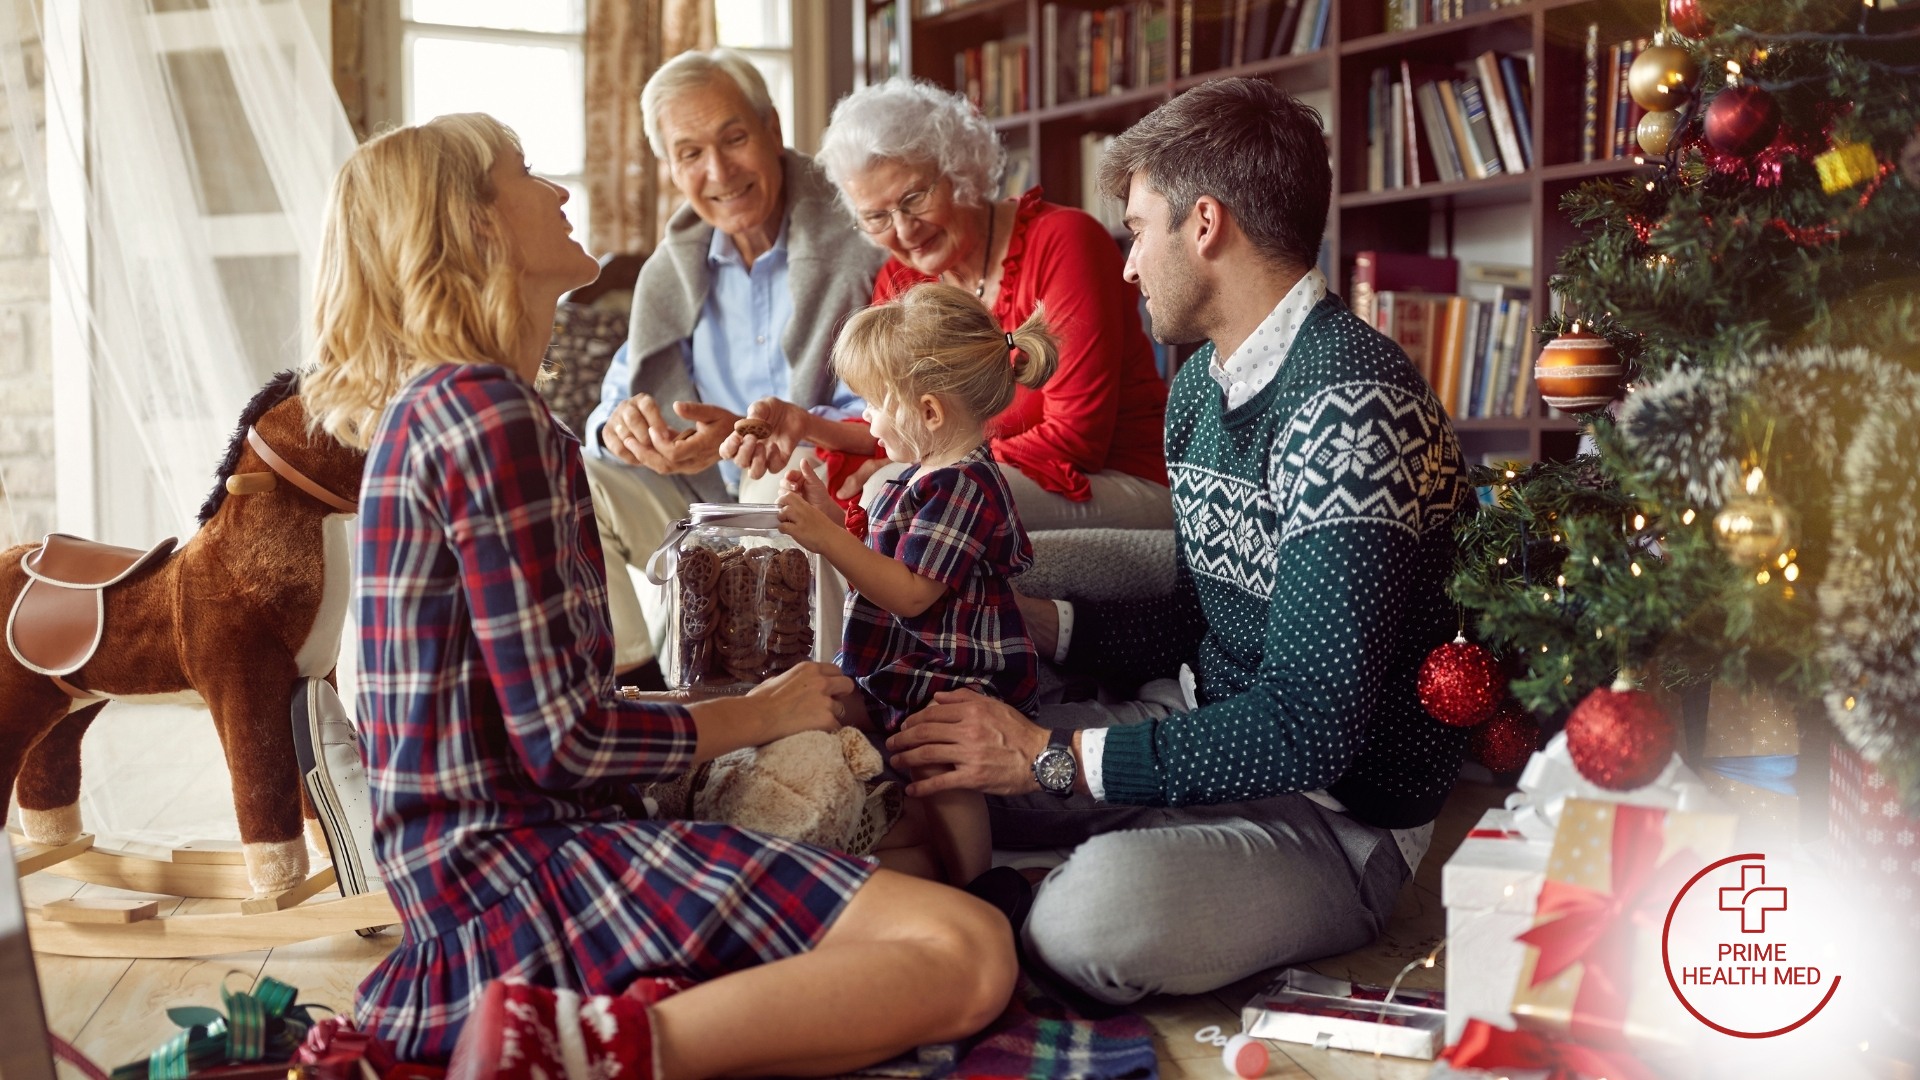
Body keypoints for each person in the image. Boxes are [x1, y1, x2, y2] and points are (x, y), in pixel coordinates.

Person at [300, 112, 1013, 1077]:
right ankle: (574, 1048)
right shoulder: (485, 412)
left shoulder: (443, 407)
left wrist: (729, 711)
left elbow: (540, 724)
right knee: (968, 951)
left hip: (476, 880)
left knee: (900, 884)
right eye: (525, 173)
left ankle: (625, 1017)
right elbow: (567, 741)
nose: (557, 191)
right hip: (513, 889)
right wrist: (762, 712)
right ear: (473, 227)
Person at [882, 79, 1473, 1006]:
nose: (1126, 266)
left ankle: (1042, 898)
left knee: (1089, 921)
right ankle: (1052, 875)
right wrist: (1043, 624)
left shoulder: (1350, 404)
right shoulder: (1201, 387)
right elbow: (1202, 614)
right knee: (931, 772)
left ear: (1205, 226)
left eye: (1136, 229)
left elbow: (1312, 728)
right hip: (1195, 722)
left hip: (1334, 818)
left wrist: (1047, 755)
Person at [736, 77, 1171, 532]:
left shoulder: (1065, 242)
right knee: (789, 483)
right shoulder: (903, 279)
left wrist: (913, 472)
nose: (903, 231)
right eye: (877, 217)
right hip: (985, 471)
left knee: (902, 495)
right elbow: (901, 421)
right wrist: (806, 425)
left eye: (913, 198)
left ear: (959, 169)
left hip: (1115, 482)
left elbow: (1075, 440)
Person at [581, 49, 885, 677]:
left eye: (734, 138)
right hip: (695, 505)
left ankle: (795, 698)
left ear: (773, 130)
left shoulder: (858, 238)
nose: (718, 170)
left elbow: (889, 404)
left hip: (804, 486)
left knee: (781, 476)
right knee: (574, 478)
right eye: (690, 153)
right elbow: (617, 396)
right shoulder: (675, 267)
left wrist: (751, 437)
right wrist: (623, 429)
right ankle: (640, 691)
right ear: (670, 167)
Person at [775, 283, 1058, 888]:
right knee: (824, 704)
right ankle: (888, 844)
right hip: (904, 663)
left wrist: (830, 542)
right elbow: (887, 553)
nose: (867, 420)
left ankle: (980, 885)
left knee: (940, 761)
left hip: (951, 673)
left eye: (874, 403)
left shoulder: (963, 484)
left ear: (929, 412)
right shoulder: (919, 476)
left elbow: (910, 592)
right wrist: (832, 519)